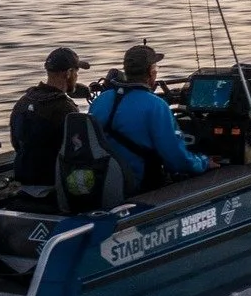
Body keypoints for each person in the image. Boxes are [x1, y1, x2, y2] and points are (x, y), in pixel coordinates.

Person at [89, 44, 212, 191]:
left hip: (104, 183)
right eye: (155, 69)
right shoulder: (157, 106)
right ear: (150, 72)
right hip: (139, 187)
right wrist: (203, 162)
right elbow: (176, 160)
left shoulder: (100, 100)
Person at [10, 47, 91, 187]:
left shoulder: (24, 101)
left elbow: (15, 143)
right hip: (53, 181)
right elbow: (79, 151)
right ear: (69, 73)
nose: (77, 77)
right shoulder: (64, 107)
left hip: (25, 177)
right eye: (76, 72)